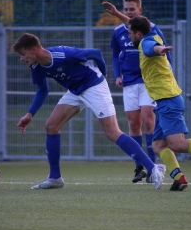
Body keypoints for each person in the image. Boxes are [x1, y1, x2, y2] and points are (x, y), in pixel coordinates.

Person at [102, 4, 191, 191]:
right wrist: (119, 14)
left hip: (168, 100)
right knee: (158, 146)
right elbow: (138, 29)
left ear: (138, 35)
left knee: (177, 144)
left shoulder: (146, 43)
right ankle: (179, 178)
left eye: (130, 34)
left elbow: (153, 48)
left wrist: (161, 50)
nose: (127, 37)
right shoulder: (149, 33)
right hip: (163, 101)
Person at [12, 33, 166, 190]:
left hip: (93, 85)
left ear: (33, 50)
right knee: (51, 126)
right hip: (75, 90)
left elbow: (95, 53)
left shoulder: (64, 54)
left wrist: (104, 72)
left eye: (23, 54)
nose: (22, 59)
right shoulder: (36, 67)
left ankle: (154, 168)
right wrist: (29, 114)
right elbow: (43, 90)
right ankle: (55, 178)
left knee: (113, 132)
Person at [109, 0, 172, 184]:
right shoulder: (119, 32)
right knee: (133, 124)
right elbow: (114, 54)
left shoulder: (150, 29)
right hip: (129, 83)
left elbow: (162, 52)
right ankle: (140, 167)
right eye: (126, 9)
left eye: (131, 9)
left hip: (147, 82)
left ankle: (153, 168)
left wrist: (169, 73)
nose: (128, 12)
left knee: (148, 120)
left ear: (140, 11)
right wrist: (117, 75)